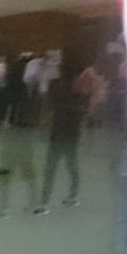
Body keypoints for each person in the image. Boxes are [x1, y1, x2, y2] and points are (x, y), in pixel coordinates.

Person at [36, 54, 92, 215]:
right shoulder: (81, 88)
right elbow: (84, 109)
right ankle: (72, 195)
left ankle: (44, 200)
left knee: (51, 167)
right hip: (71, 131)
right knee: (71, 165)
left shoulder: (56, 85)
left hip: (58, 130)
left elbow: (50, 104)